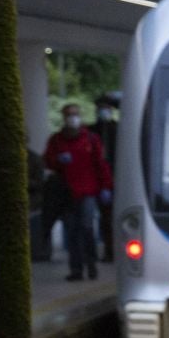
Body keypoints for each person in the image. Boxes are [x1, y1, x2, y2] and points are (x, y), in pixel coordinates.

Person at [44, 103, 112, 281]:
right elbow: (48, 161)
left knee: (87, 228)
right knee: (72, 232)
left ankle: (91, 265)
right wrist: (58, 161)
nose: (72, 118)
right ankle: (76, 269)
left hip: (88, 192)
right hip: (67, 193)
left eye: (75, 114)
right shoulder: (57, 140)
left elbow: (101, 165)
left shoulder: (90, 139)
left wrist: (106, 187)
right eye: (69, 115)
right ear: (64, 118)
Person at [92, 94, 119, 263]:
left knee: (112, 218)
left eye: (107, 108)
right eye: (102, 108)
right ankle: (108, 250)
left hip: (117, 178)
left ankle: (113, 250)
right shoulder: (91, 131)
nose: (104, 111)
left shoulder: (119, 129)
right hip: (97, 181)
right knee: (105, 218)